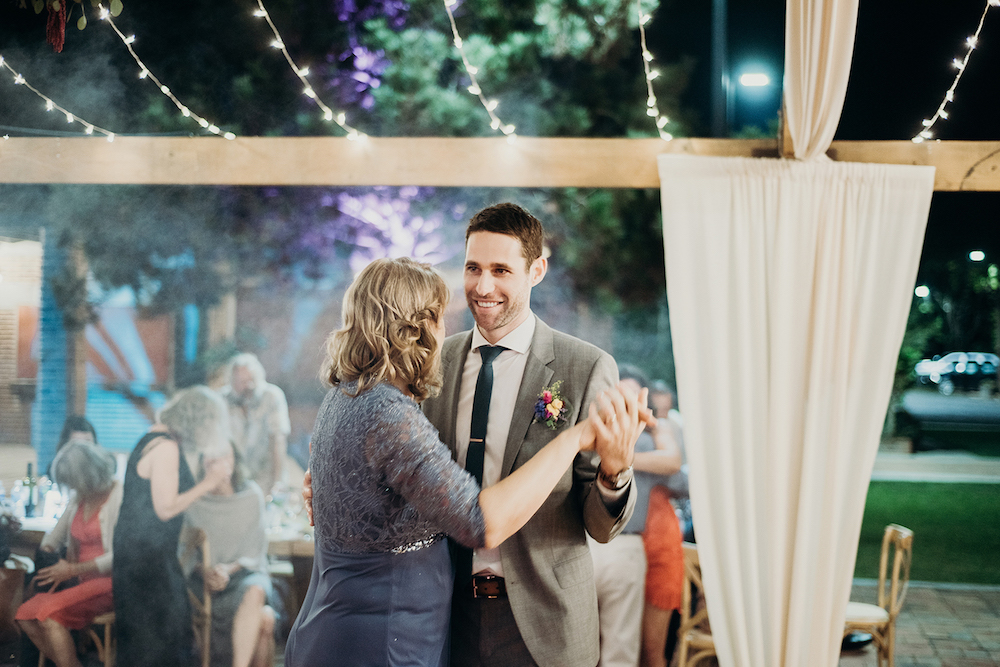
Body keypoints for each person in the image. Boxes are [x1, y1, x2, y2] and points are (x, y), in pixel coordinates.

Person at [286, 257, 646, 667]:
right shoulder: (389, 411)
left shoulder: (345, 396)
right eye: (439, 316)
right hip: (386, 641)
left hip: (345, 626)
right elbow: (480, 521)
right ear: (415, 327)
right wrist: (575, 437)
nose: (445, 329)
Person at [112, 386, 234, 667]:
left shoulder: (152, 437)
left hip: (139, 556)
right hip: (147, 561)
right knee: (158, 645)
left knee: (151, 642)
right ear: (198, 421)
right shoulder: (166, 447)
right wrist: (209, 483)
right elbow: (165, 508)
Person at [589, 364, 683, 667]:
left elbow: (672, 463)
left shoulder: (657, 429)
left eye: (632, 395)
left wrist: (618, 459)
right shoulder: (599, 426)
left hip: (639, 542)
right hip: (595, 541)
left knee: (628, 646)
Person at [16, 440, 122, 667]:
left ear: (87, 477)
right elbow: (52, 538)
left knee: (46, 616)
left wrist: (73, 569)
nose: (72, 489)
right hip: (80, 583)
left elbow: (121, 555)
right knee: (25, 614)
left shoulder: (119, 497)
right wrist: (49, 554)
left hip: (110, 584)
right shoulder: (79, 499)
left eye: (74, 483)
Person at [183, 444, 275, 667]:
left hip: (242, 577)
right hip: (203, 583)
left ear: (234, 461)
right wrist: (205, 572)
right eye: (211, 459)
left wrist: (228, 569)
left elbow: (255, 553)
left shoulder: (251, 495)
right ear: (203, 463)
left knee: (257, 590)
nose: (219, 464)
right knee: (266, 620)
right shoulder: (193, 500)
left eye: (224, 457)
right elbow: (184, 554)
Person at [220, 353, 291, 495]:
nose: (249, 386)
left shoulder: (272, 396)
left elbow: (278, 440)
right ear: (232, 382)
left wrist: (278, 481)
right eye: (242, 382)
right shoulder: (221, 399)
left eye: (252, 380)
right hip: (232, 478)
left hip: (264, 476)